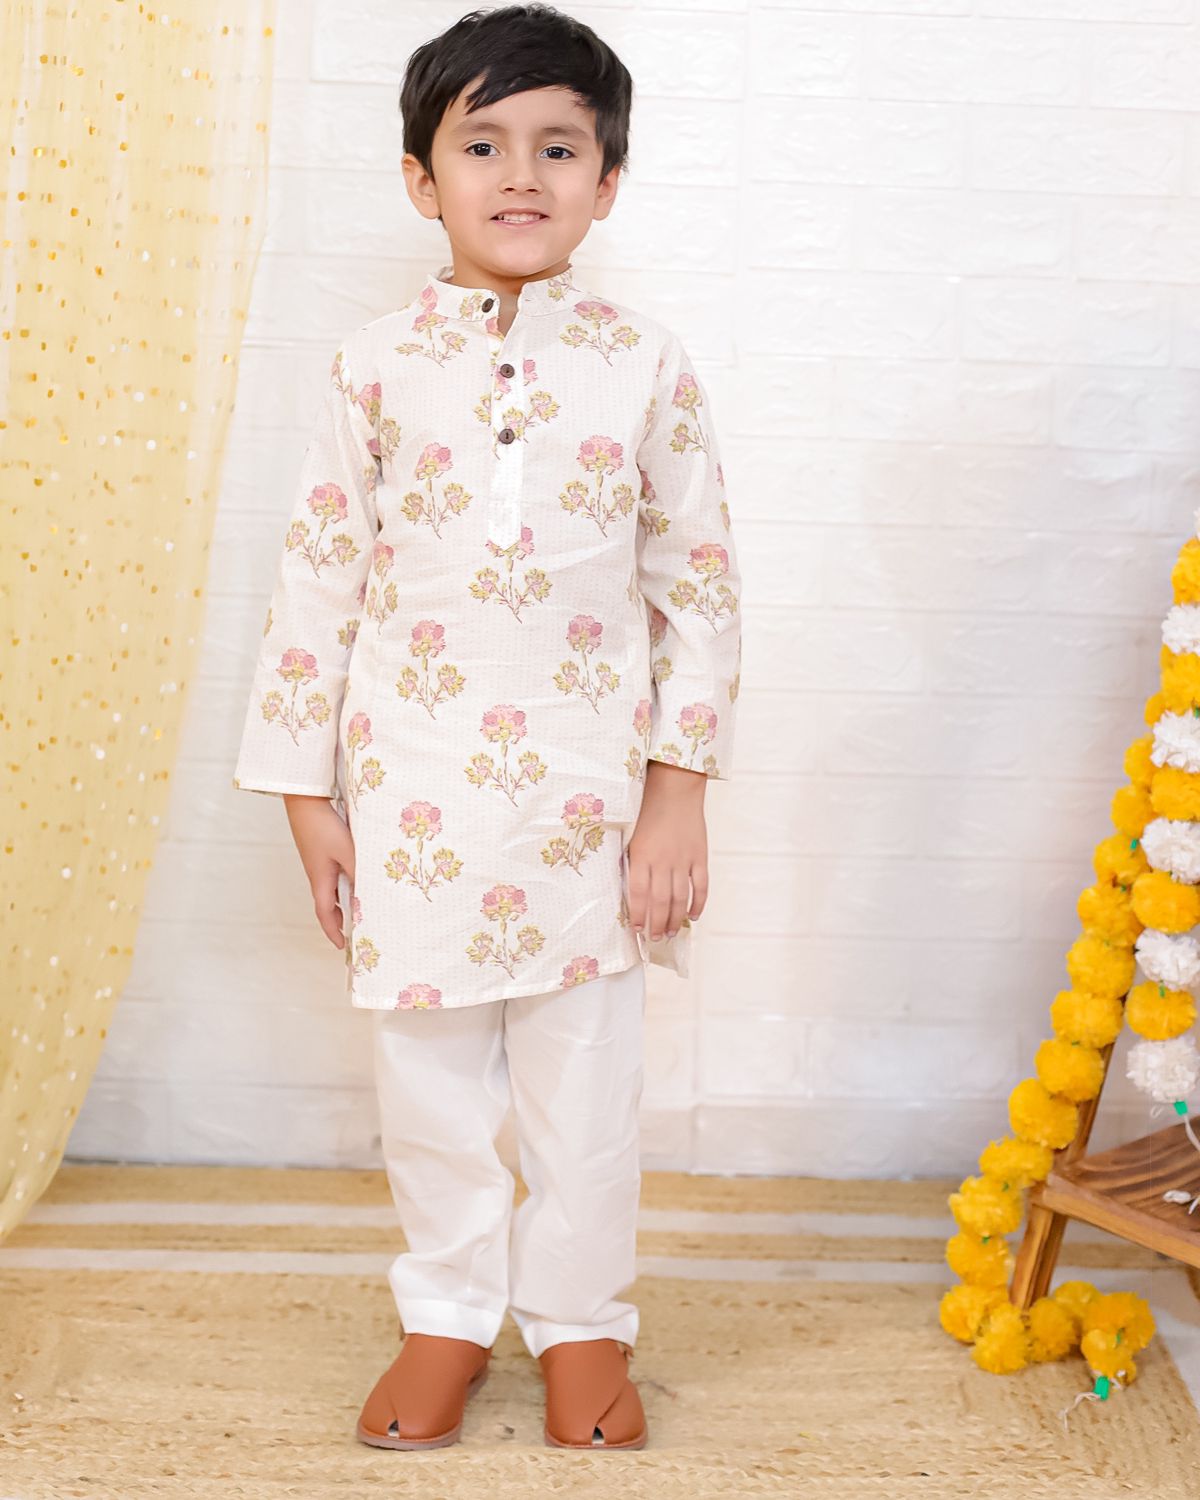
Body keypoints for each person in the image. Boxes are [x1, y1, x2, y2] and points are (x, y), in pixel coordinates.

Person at [232, 1, 741, 1453]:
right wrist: (307, 797)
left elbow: (699, 584)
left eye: (559, 147)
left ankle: (581, 1324)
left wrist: (678, 794)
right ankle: (449, 1314)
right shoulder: (373, 365)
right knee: (433, 1085)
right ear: (421, 177)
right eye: (483, 144)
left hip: (591, 800)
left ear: (608, 181)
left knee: (587, 1085)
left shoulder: (645, 363)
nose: (522, 174)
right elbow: (319, 578)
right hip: (414, 793)